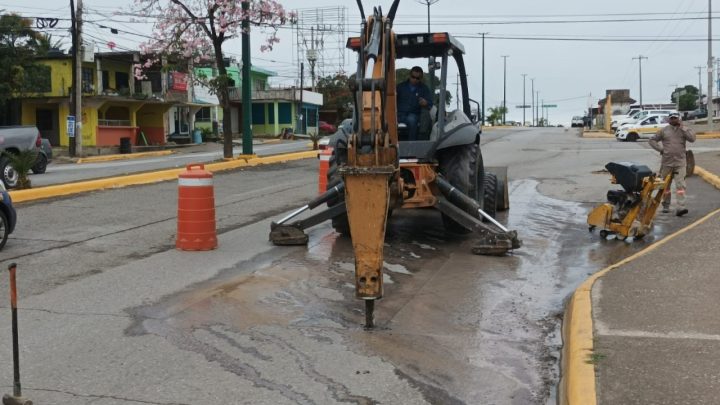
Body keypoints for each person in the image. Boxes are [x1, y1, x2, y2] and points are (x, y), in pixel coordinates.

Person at [648, 112, 696, 216]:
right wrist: (660, 149)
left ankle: (681, 207)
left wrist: (682, 127)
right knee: (665, 186)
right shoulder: (664, 130)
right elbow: (651, 140)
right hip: (667, 163)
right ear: (669, 120)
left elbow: (692, 139)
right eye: (672, 118)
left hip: (680, 163)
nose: (673, 120)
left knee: (680, 186)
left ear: (679, 119)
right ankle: (666, 205)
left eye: (675, 118)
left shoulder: (684, 130)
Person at [396, 66, 433, 141]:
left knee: (412, 120)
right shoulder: (400, 87)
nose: (415, 79)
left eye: (417, 78)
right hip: (399, 114)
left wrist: (425, 103)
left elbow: (430, 103)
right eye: (413, 77)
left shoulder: (424, 89)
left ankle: (412, 143)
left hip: (414, 115)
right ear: (409, 76)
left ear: (421, 78)